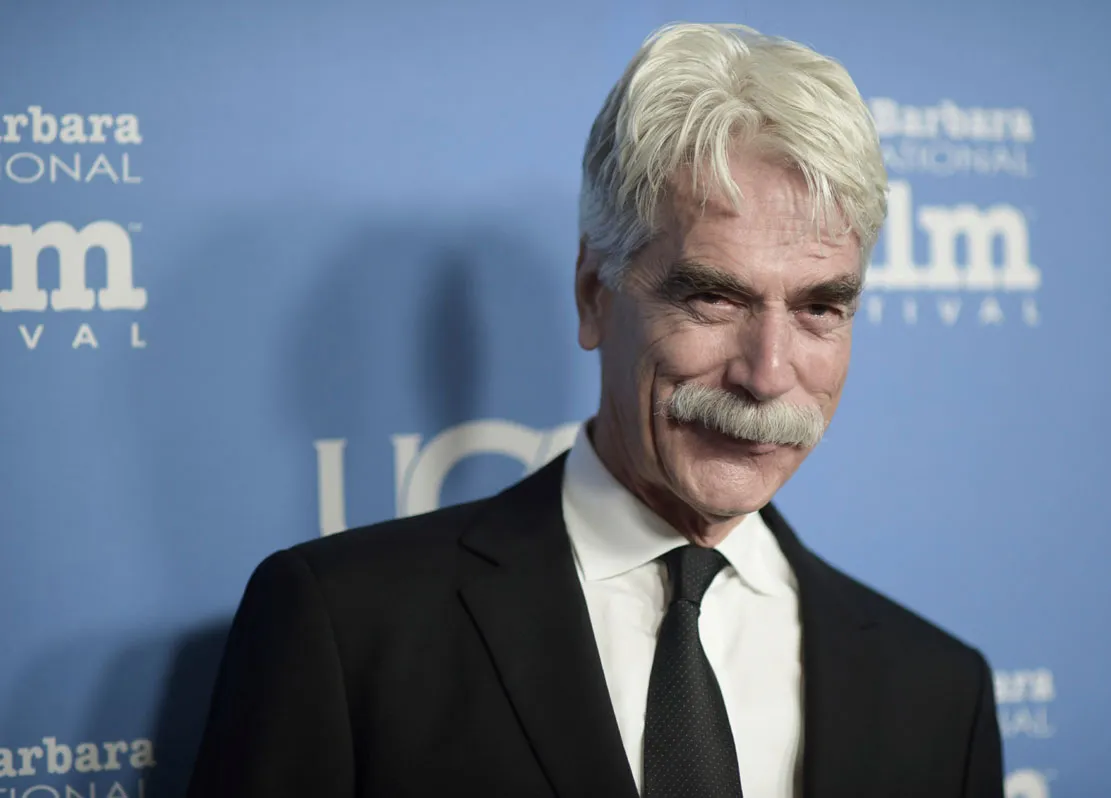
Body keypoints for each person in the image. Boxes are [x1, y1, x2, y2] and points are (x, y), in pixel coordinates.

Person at [187, 22, 1003, 798]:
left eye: (820, 309)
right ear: (592, 294)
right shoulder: (345, 630)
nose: (766, 374)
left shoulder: (938, 691)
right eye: (714, 298)